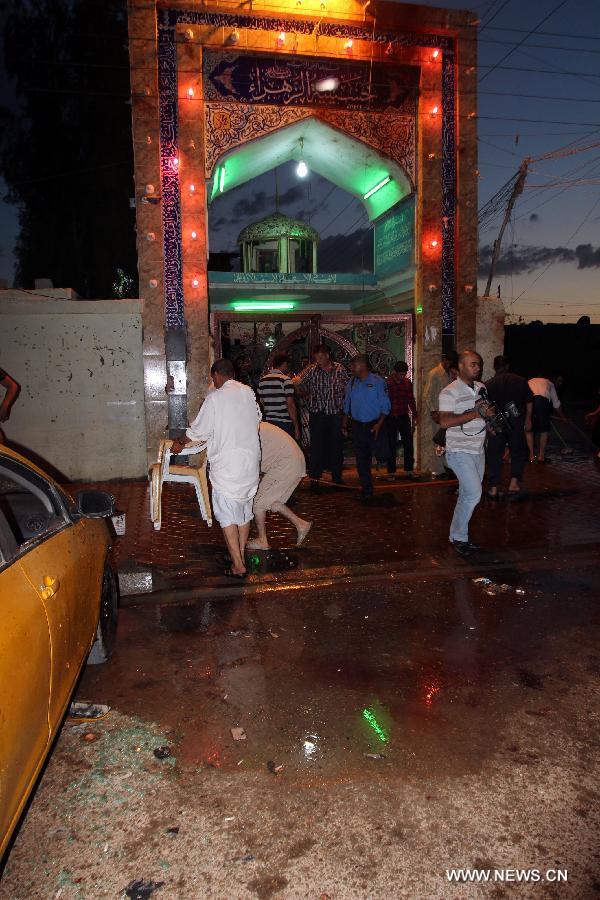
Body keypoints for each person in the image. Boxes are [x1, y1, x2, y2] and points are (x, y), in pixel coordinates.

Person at [171, 359, 261, 578]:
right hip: (250, 464)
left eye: (213, 378)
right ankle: (239, 555)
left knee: (227, 514)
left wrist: (179, 442)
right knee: (243, 511)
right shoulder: (248, 392)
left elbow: (197, 431)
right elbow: (257, 417)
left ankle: (238, 565)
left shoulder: (215, 398)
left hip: (227, 466)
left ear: (217, 376)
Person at [439, 349, 492, 556]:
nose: (477, 368)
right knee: (474, 493)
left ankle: (457, 536)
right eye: (473, 364)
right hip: (458, 450)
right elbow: (444, 421)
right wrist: (474, 413)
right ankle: (460, 537)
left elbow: (485, 413)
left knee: (467, 495)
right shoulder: (449, 392)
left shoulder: (481, 388)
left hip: (478, 450)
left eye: (478, 364)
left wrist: (491, 420)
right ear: (460, 366)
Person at [247, 422, 312, 550]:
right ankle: (301, 524)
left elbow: (250, 463)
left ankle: (262, 540)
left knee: (258, 503)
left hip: (286, 464)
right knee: (272, 501)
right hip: (293, 462)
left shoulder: (249, 431)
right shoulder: (256, 425)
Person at [295, 344, 349, 489]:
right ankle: (315, 479)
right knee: (317, 447)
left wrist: (345, 413)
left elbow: (346, 389)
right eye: (316, 358)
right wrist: (305, 393)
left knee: (336, 446)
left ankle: (336, 478)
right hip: (317, 413)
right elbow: (296, 382)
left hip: (334, 413)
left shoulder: (340, 369)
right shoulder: (312, 370)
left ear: (327, 355)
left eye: (320, 357)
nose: (318, 360)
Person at [342, 354, 391, 503]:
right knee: (362, 460)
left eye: (353, 366)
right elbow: (346, 404)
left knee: (383, 455)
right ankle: (366, 490)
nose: (351, 369)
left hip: (375, 425)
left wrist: (379, 425)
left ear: (362, 366)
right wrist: (344, 423)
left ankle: (389, 475)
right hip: (358, 427)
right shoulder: (351, 383)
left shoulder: (377, 382)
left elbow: (385, 407)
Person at [485, 355, 533, 497]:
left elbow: (486, 407)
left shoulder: (489, 384)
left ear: (495, 367)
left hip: (497, 422)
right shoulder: (520, 380)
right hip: (516, 420)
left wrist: (489, 423)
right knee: (517, 452)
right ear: (507, 366)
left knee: (495, 454)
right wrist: (529, 419)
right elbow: (529, 400)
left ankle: (493, 488)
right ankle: (513, 483)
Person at [424, 352, 459, 477]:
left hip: (449, 414)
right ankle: (438, 470)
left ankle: (447, 467)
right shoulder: (434, 373)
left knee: (447, 442)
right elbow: (427, 395)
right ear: (444, 359)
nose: (449, 364)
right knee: (439, 442)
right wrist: (433, 411)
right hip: (438, 414)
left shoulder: (450, 374)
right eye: (448, 361)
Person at [385, 360, 417, 480]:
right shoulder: (387, 383)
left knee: (408, 443)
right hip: (391, 416)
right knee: (391, 444)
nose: (402, 376)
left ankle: (409, 469)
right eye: (400, 374)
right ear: (394, 372)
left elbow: (410, 400)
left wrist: (414, 415)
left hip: (403, 415)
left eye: (404, 374)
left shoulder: (407, 383)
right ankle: (391, 471)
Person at [257, 352, 300, 440]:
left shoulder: (262, 381)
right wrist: (296, 425)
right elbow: (290, 405)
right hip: (285, 423)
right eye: (288, 365)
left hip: (269, 423)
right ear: (284, 364)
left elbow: (262, 403)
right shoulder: (286, 380)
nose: (288, 368)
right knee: (288, 451)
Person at [527, 373, 567, 463]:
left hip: (529, 401)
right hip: (542, 401)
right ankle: (541, 457)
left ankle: (531, 456)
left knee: (528, 429)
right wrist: (563, 418)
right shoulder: (549, 383)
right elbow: (556, 405)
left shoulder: (529, 381)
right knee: (544, 430)